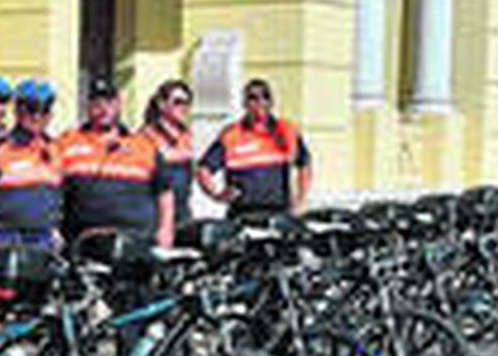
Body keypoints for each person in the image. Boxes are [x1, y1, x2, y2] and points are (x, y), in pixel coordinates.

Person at [55, 76, 173, 247]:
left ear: (118, 104)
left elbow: (165, 192)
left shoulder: (143, 145)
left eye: (109, 102)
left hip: (136, 242)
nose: (103, 109)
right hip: (84, 243)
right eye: (97, 103)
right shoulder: (66, 143)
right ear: (87, 106)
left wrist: (165, 230)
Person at [197, 78, 312, 218]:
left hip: (278, 213)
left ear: (271, 102)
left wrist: (301, 200)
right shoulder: (231, 135)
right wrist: (216, 194)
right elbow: (203, 169)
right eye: (253, 98)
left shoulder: (286, 131)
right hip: (242, 214)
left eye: (265, 96)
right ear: (244, 103)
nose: (260, 102)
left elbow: (304, 164)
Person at [0, 80, 61, 249]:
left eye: (44, 111)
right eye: (31, 109)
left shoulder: (57, 150)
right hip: (4, 239)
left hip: (43, 240)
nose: (37, 116)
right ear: (17, 111)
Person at [142, 79, 196, 227]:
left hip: (183, 213)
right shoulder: (146, 136)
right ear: (162, 104)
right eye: (178, 102)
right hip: (156, 214)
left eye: (187, 102)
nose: (184, 108)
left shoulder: (186, 135)